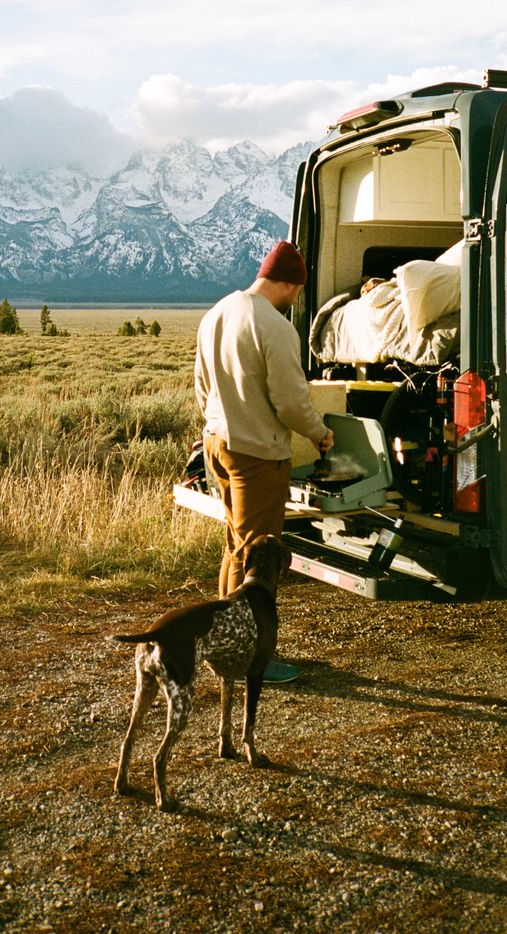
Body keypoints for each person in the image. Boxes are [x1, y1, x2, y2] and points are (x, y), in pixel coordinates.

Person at [194, 240, 335, 682]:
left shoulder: (218, 312)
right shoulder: (275, 326)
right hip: (256, 452)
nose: (296, 298)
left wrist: (220, 422)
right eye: (298, 290)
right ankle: (247, 657)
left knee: (236, 546)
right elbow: (291, 402)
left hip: (218, 443)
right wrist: (319, 432)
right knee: (257, 556)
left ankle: (223, 643)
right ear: (290, 284)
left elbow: (201, 385)